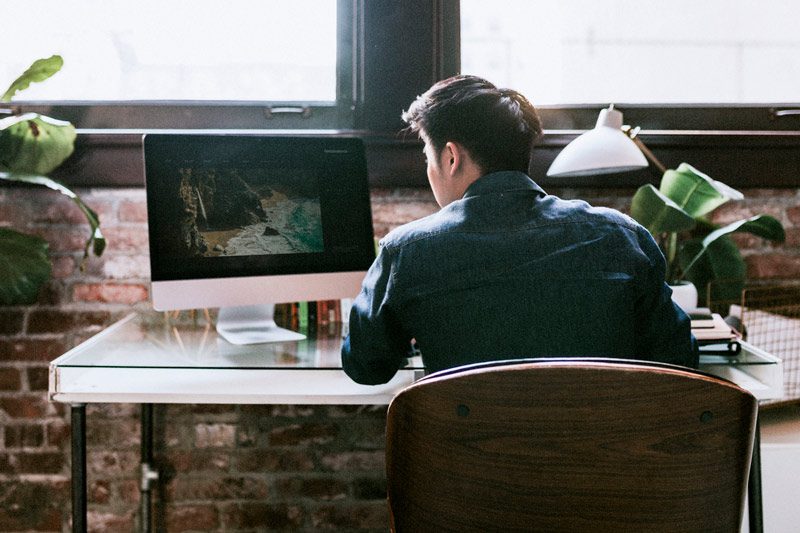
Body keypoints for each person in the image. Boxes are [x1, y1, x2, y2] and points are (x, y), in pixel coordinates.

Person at [341, 75, 697, 385]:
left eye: (427, 157)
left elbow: (366, 367)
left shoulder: (407, 251)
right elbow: (679, 358)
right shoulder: (623, 236)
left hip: (469, 461)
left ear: (450, 157)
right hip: (601, 460)